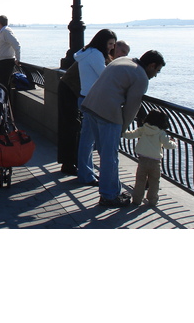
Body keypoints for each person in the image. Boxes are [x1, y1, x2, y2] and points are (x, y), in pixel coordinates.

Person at [80, 50, 166, 207]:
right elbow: (131, 107)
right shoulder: (141, 77)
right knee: (109, 157)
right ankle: (109, 195)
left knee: (103, 152)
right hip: (108, 114)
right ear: (152, 65)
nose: (155, 75)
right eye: (157, 70)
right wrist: (122, 129)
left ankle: (111, 191)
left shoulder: (123, 60)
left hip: (90, 106)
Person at [75, 29, 117, 184]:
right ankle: (87, 175)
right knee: (90, 140)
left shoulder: (85, 53)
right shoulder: (96, 55)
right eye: (110, 43)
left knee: (87, 138)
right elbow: (105, 75)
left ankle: (85, 172)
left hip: (84, 98)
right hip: (94, 100)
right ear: (102, 42)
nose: (112, 47)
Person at [123, 110, 176, 206]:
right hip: (155, 162)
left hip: (142, 160)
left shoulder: (143, 129)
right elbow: (168, 145)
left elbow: (130, 135)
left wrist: (122, 131)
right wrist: (174, 143)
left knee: (140, 181)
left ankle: (137, 200)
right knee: (154, 182)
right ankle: (152, 200)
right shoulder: (161, 133)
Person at [0, 15, 20, 89]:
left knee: (3, 84)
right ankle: (3, 99)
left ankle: (4, 99)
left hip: (6, 62)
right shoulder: (3, 31)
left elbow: (17, 44)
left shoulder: (6, 31)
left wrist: (18, 59)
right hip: (2, 61)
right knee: (0, 84)